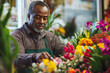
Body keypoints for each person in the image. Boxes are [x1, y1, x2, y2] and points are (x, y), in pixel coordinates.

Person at [11, 1, 65, 73]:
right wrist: (34, 56)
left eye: (45, 18)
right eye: (37, 17)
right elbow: (16, 59)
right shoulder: (17, 35)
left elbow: (64, 51)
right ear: (29, 16)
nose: (41, 21)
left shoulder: (51, 37)